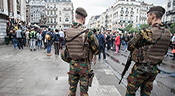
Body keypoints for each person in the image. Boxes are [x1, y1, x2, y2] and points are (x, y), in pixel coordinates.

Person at [126, 6, 171, 96]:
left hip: (140, 69)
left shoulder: (146, 32)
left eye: (148, 16)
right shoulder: (167, 34)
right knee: (146, 93)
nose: (147, 19)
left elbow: (130, 46)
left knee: (130, 92)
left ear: (153, 16)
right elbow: (165, 51)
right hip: (154, 69)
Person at [65, 7, 99, 96]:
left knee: (71, 91)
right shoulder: (88, 33)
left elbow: (66, 50)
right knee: (84, 93)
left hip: (72, 65)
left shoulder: (67, 32)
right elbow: (96, 50)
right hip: (84, 66)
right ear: (83, 18)